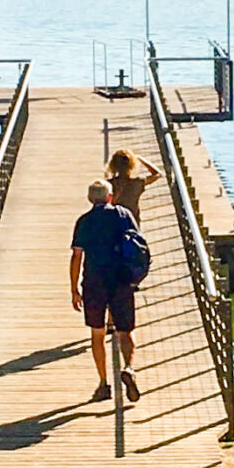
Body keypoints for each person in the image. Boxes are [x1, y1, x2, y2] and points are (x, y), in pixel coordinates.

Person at [70, 179, 142, 404]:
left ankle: (103, 383)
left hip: (94, 282)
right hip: (121, 279)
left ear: (91, 199)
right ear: (110, 197)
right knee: (125, 331)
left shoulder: (84, 221)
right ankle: (129, 367)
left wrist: (73, 288)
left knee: (97, 333)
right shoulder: (123, 214)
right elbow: (138, 242)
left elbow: (76, 256)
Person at [105, 146, 159, 218]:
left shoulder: (109, 184)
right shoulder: (138, 182)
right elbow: (157, 174)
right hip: (133, 219)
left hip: (115, 219)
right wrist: (140, 159)